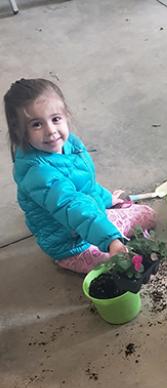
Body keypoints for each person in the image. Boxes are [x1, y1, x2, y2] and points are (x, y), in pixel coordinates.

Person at [4, 78, 156, 273]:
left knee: (147, 215)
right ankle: (69, 259)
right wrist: (111, 241)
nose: (51, 131)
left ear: (66, 115)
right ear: (19, 131)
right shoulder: (38, 172)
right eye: (36, 124)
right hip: (69, 243)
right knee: (119, 266)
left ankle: (106, 231)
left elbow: (86, 185)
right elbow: (71, 205)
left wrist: (108, 199)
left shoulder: (69, 145)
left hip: (86, 219)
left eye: (55, 119)